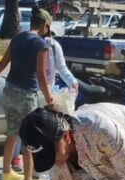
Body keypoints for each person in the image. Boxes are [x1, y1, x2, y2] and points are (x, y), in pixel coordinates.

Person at [0, 6, 54, 180]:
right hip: (26, 95)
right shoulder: (40, 44)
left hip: (9, 91)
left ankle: (6, 172)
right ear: (45, 25)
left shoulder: (17, 38)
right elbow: (41, 74)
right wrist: (48, 97)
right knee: (29, 138)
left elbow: (2, 64)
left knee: (12, 133)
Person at [11, 31, 78, 172]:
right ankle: (18, 159)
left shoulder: (53, 45)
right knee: (28, 128)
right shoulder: (31, 43)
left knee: (45, 134)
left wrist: (72, 81)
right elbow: (40, 74)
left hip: (48, 93)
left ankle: (36, 168)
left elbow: (61, 67)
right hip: (32, 92)